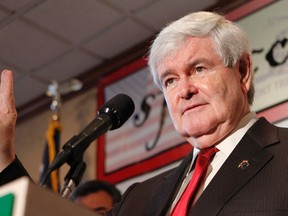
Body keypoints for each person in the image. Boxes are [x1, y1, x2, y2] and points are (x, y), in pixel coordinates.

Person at [1, 11, 288, 215]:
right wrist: (3, 159)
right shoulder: (139, 198)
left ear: (242, 71)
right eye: (170, 80)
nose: (183, 90)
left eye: (198, 69)